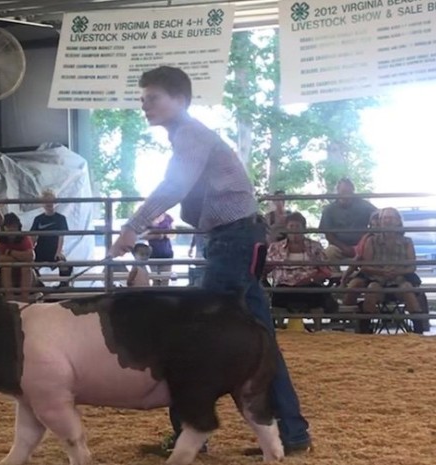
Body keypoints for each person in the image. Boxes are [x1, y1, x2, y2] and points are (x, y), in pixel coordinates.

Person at [108, 66, 311, 457]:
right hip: (238, 239)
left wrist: (133, 227)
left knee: (200, 337)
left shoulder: (191, 135)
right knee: (257, 339)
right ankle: (293, 432)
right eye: (143, 98)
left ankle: (191, 434)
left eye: (153, 98)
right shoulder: (190, 136)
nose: (145, 105)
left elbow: (174, 186)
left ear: (179, 100)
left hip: (232, 241)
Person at [348, 207, 425, 334]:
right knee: (372, 288)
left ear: (398, 221)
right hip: (377, 279)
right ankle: (365, 330)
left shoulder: (407, 242)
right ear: (380, 221)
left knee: (407, 288)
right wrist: (382, 272)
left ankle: (418, 330)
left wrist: (398, 272)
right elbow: (365, 265)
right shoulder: (372, 241)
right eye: (384, 218)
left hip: (400, 280)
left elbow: (412, 266)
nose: (387, 221)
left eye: (391, 218)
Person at [266, 212, 337, 316]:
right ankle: (280, 329)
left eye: (297, 226)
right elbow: (266, 268)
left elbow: (326, 271)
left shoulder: (315, 246)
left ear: (303, 228)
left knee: (316, 295)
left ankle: (318, 330)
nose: (294, 229)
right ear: (286, 229)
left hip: (309, 284)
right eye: (291, 226)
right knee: (278, 296)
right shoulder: (275, 247)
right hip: (284, 286)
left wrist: (311, 279)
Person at [319, 178, 377, 271]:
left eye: (348, 191)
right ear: (337, 192)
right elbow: (328, 234)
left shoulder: (364, 205)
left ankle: (366, 275)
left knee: (373, 249)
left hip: (363, 244)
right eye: (343, 191)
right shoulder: (329, 210)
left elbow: (377, 214)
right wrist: (343, 247)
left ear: (353, 192)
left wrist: (371, 231)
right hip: (339, 247)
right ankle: (336, 278)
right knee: (329, 252)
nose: (346, 195)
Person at [29, 189, 72, 288]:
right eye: (46, 201)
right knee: (28, 266)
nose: (49, 203)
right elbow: (33, 237)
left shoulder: (61, 218)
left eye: (51, 201)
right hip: (40, 250)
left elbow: (61, 236)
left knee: (66, 266)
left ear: (55, 202)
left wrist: (58, 252)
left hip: (54, 249)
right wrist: (30, 251)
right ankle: (38, 285)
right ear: (42, 203)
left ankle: (63, 285)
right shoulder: (38, 219)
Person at [0, 213, 34, 302]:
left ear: (18, 227)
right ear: (4, 228)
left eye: (14, 226)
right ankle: (10, 297)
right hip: (8, 277)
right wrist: (21, 257)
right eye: (8, 226)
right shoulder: (1, 240)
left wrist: (10, 252)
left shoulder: (24, 238)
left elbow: (31, 256)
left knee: (26, 266)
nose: (11, 229)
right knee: (6, 266)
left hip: (27, 277)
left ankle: (24, 298)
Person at [144, 213, 174, 286]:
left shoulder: (168, 218)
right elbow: (143, 235)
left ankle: (162, 295)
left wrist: (166, 234)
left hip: (166, 252)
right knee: (155, 279)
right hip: (153, 253)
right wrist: (157, 235)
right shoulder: (148, 219)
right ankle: (155, 295)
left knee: (165, 279)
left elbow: (173, 234)